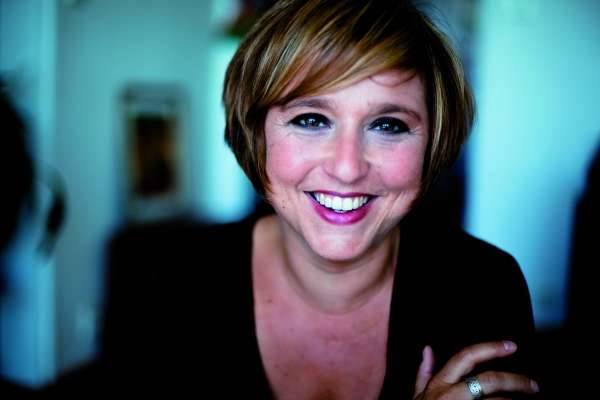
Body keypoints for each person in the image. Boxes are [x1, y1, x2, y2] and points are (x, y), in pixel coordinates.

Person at [87, 0, 539, 399]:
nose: (347, 168)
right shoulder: (166, 286)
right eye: (310, 119)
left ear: (432, 145)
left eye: (388, 125)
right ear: (256, 134)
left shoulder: (483, 285)